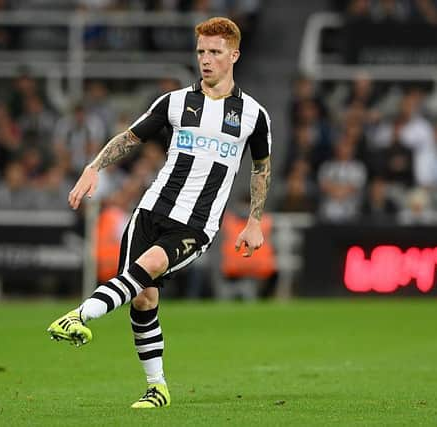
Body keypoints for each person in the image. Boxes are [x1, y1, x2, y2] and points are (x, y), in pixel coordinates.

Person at [47, 16, 272, 409]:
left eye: (215, 52)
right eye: (201, 51)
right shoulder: (174, 102)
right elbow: (129, 138)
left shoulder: (253, 115)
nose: (206, 59)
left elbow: (261, 168)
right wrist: (94, 167)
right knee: (143, 299)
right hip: (151, 210)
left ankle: (80, 314)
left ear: (233, 55)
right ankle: (158, 387)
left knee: (149, 264)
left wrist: (254, 220)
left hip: (196, 224)